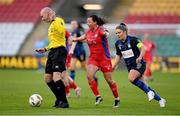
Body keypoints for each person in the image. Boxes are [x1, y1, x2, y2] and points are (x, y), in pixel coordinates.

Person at [112, 23, 166, 107]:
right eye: (116, 33)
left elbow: (143, 48)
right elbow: (118, 56)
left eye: (119, 32)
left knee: (131, 78)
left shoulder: (134, 40)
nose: (117, 34)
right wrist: (113, 66)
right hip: (130, 67)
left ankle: (149, 92)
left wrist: (140, 57)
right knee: (145, 86)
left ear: (125, 32)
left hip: (139, 64)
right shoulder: (117, 44)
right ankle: (160, 99)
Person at [73, 15, 120, 108]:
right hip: (93, 58)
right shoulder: (89, 31)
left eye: (89, 21)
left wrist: (106, 33)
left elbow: (105, 33)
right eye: (87, 21)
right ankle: (98, 96)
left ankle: (117, 98)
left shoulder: (100, 30)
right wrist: (76, 39)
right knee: (89, 76)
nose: (87, 23)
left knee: (109, 80)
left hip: (104, 59)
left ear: (95, 22)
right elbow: (84, 36)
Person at [36, 7, 69, 108]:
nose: (42, 19)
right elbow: (53, 42)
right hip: (53, 52)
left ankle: (64, 102)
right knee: (48, 78)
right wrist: (45, 49)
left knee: (56, 77)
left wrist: (54, 19)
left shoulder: (58, 20)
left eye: (42, 16)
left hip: (59, 51)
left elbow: (63, 31)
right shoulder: (50, 26)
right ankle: (59, 99)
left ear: (48, 13)